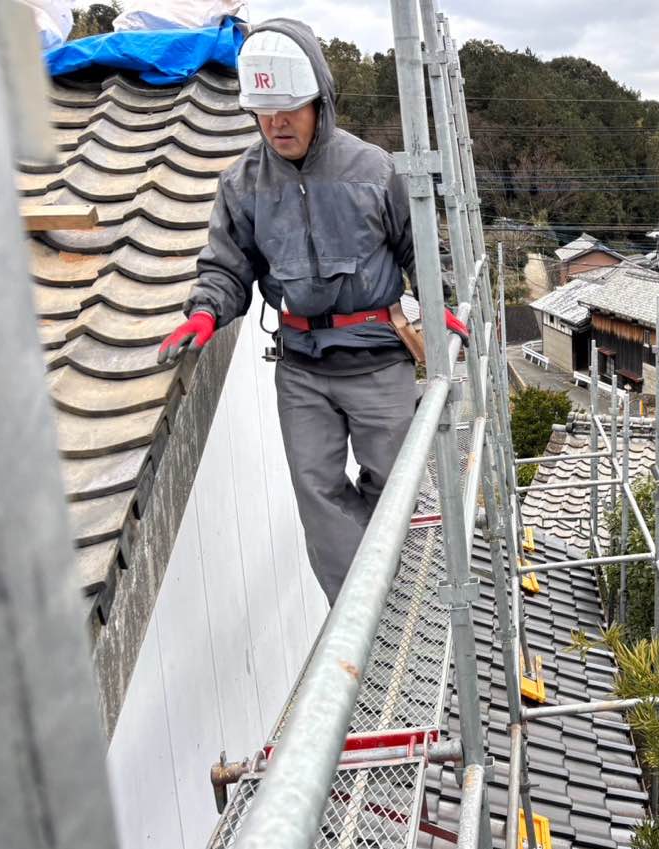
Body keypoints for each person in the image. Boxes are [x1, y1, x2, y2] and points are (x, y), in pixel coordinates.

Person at [157, 18, 468, 604]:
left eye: (289, 109)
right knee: (318, 493)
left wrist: (439, 303)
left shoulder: (373, 169)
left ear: (319, 103)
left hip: (378, 359)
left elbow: (417, 248)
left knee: (396, 484)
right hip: (301, 366)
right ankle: (354, 611)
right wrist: (205, 313)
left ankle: (393, 590)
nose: (276, 124)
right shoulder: (242, 184)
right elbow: (228, 267)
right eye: (264, 112)